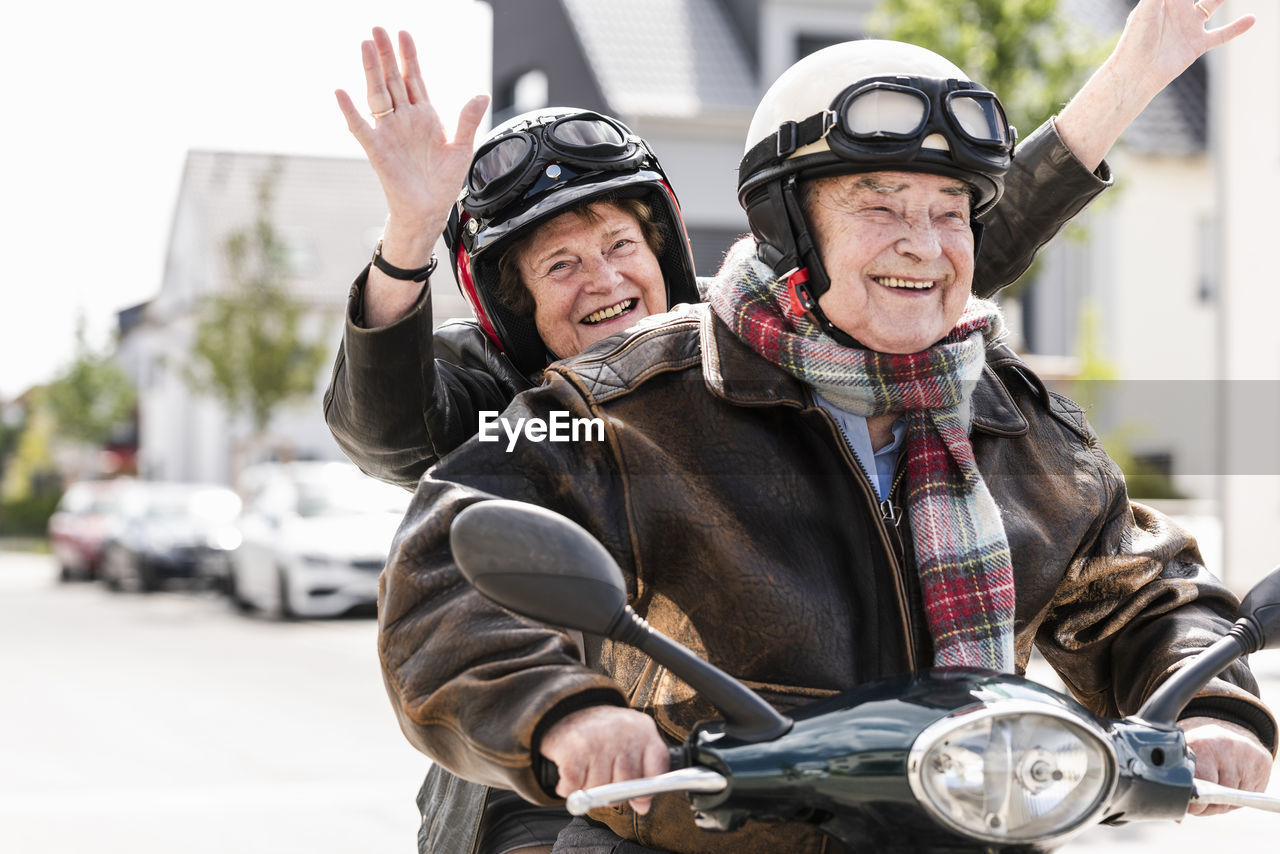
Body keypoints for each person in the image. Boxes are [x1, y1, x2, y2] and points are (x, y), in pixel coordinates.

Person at [374, 23, 1275, 854]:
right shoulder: (626, 405)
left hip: (970, 826)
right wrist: (564, 715)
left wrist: (1207, 703)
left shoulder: (1010, 413)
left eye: (950, 211)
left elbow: (1140, 589)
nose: (923, 246)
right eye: (880, 208)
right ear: (791, 227)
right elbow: (447, 569)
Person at [324, 0, 1254, 493]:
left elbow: (917, 268)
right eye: (560, 265)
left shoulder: (739, 345)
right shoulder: (512, 407)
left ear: (663, 246)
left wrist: (1131, 79)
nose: (604, 281)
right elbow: (394, 434)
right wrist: (410, 234)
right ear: (514, 304)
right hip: (548, 772)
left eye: (617, 244)